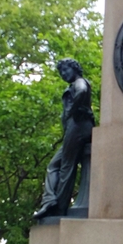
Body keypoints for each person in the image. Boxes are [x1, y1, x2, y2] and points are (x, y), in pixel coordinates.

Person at [34, 59, 95, 220]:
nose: (63, 74)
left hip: (78, 127)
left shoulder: (79, 82)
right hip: (76, 128)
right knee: (54, 165)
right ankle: (50, 201)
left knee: (66, 167)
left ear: (74, 68)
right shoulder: (74, 84)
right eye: (61, 73)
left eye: (66, 70)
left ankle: (57, 208)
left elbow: (81, 91)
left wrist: (74, 111)